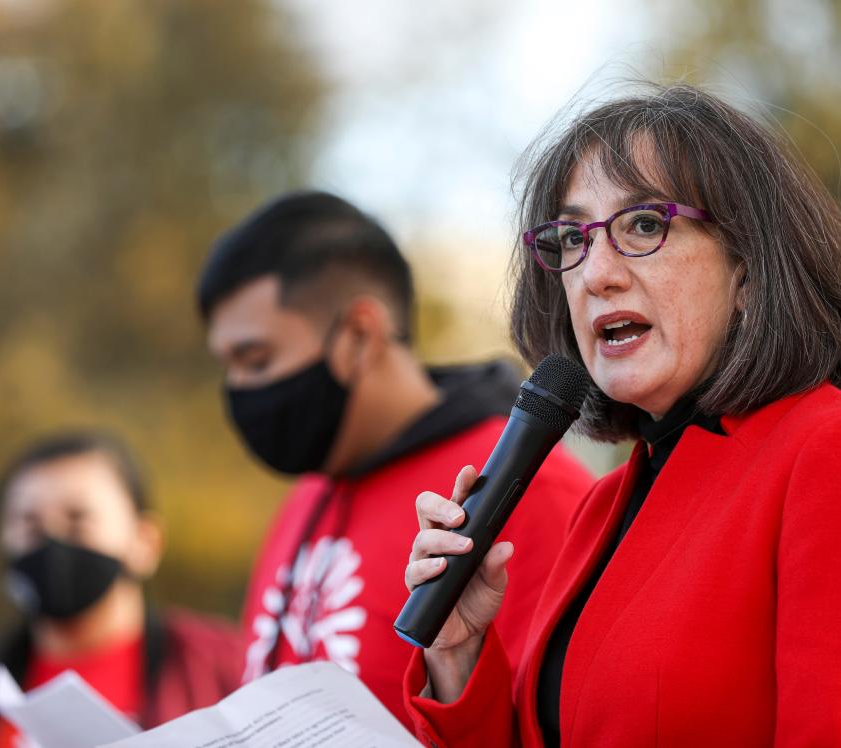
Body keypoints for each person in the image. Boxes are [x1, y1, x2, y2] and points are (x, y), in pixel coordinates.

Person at [403, 83, 841, 746]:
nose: (596, 274)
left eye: (645, 225)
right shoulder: (602, 508)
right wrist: (459, 649)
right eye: (571, 238)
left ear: (749, 270)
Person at [196, 191, 592, 726]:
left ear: (360, 333)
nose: (238, 390)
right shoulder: (308, 497)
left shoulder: (523, 487)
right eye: (229, 367)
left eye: (257, 359)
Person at [0, 432, 244, 748]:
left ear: (145, 542)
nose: (53, 541)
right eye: (30, 525)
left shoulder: (223, 668)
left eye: (78, 521)